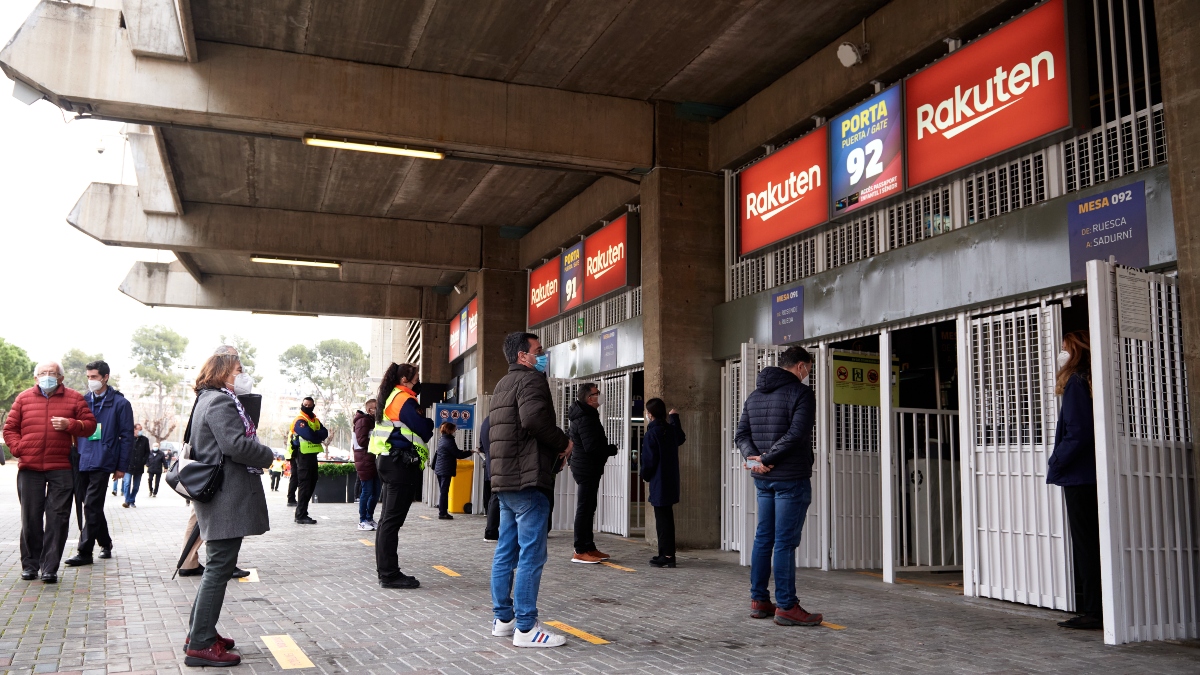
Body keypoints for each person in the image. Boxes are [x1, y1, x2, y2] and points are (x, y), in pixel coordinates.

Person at [181, 351, 273, 667]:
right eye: (239, 370)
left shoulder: (206, 399)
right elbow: (235, 445)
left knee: (218, 566)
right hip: (225, 496)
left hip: (220, 494)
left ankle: (199, 633)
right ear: (223, 373)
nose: (243, 375)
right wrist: (268, 455)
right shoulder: (219, 402)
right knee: (219, 567)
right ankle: (201, 644)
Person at [488, 332, 573, 648]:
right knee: (531, 555)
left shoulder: (502, 385)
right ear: (523, 355)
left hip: (506, 481)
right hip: (527, 480)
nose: (542, 355)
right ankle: (526, 628)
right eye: (538, 350)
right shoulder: (532, 380)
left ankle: (504, 619)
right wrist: (564, 443)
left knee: (505, 551)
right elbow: (534, 419)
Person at [734, 345, 823, 627]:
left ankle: (759, 600)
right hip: (790, 479)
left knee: (764, 538)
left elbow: (741, 434)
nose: (808, 373)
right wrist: (767, 458)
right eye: (808, 368)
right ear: (800, 366)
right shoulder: (801, 393)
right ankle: (786, 606)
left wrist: (755, 459)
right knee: (784, 542)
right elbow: (797, 434)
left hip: (763, 478)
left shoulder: (755, 395)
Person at [3, 361, 97, 583]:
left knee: (58, 518)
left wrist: (70, 424)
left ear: (61, 378)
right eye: (43, 373)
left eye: (52, 373)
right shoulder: (23, 398)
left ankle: (50, 568)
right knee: (31, 518)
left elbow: (91, 425)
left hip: (61, 468)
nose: (47, 376)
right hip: (30, 468)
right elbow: (10, 428)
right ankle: (30, 565)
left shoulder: (74, 398)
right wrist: (18, 448)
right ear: (35, 378)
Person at [1047, 330, 1102, 630]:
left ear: (1076, 351)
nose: (1061, 353)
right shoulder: (1093, 381)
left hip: (1080, 476)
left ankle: (1093, 610)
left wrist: (1056, 461)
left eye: (1065, 348)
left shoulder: (1077, 383)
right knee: (1095, 541)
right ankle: (1098, 607)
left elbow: (1078, 431)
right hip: (1093, 473)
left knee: (1085, 544)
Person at [369, 363, 434, 589]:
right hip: (399, 465)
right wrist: (430, 422)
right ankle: (388, 574)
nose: (419, 380)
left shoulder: (392, 396)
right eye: (417, 376)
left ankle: (387, 572)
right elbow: (423, 429)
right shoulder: (404, 399)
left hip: (389, 461)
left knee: (387, 520)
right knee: (391, 522)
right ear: (406, 378)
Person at [66, 360, 134, 567]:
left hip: (104, 460)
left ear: (105, 377)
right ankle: (105, 543)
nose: (90, 381)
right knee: (91, 506)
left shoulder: (121, 404)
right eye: (88, 377)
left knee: (93, 505)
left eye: (94, 377)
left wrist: (122, 467)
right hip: (82, 458)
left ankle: (84, 551)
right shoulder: (83, 401)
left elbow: (127, 437)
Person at [567, 383, 619, 564]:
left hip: (586, 467)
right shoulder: (586, 418)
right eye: (597, 393)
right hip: (586, 468)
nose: (600, 396)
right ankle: (580, 549)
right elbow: (592, 447)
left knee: (589, 508)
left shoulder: (586, 415)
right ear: (590, 398)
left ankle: (589, 546)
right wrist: (610, 449)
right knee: (585, 508)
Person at [641, 398, 686, 568]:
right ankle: (667, 554)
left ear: (650, 414)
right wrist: (674, 417)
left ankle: (666, 555)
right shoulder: (670, 430)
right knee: (667, 517)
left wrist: (645, 475)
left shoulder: (652, 433)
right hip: (670, 480)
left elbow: (649, 460)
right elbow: (681, 437)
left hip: (658, 482)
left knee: (663, 520)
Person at [291, 397, 328, 524]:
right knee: (305, 485)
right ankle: (300, 515)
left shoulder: (314, 420)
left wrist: (316, 436)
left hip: (312, 456)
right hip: (302, 456)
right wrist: (317, 437)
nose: (306, 406)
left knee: (311, 484)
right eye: (305, 404)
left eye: (309, 405)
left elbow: (325, 432)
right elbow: (309, 435)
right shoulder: (300, 420)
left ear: (313, 406)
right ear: (302, 404)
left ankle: (303, 513)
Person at [433, 422, 472, 520]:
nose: (455, 431)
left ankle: (442, 511)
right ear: (449, 430)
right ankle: (443, 513)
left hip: (440, 468)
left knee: (443, 491)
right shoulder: (449, 441)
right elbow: (458, 454)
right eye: (454, 429)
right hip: (445, 469)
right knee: (444, 491)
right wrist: (470, 452)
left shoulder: (442, 439)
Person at [353, 398, 380, 530]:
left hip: (372, 460)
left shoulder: (373, 421)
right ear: (370, 409)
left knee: (376, 491)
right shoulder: (363, 421)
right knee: (367, 491)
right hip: (365, 460)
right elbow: (362, 440)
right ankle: (362, 520)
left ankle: (369, 518)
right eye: (377, 407)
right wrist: (378, 442)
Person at [479, 415, 499, 541]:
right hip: (500, 463)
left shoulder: (486, 421)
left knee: (495, 496)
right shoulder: (500, 419)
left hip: (491, 463)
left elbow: (481, 446)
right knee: (497, 496)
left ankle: (491, 531)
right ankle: (491, 531)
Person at [123, 423, 151, 508]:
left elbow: (147, 452)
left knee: (136, 486)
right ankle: (127, 501)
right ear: (134, 430)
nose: (140, 431)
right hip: (128, 466)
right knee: (127, 483)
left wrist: (143, 461)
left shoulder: (145, 440)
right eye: (139, 429)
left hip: (139, 466)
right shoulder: (129, 439)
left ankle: (132, 500)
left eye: (141, 429)